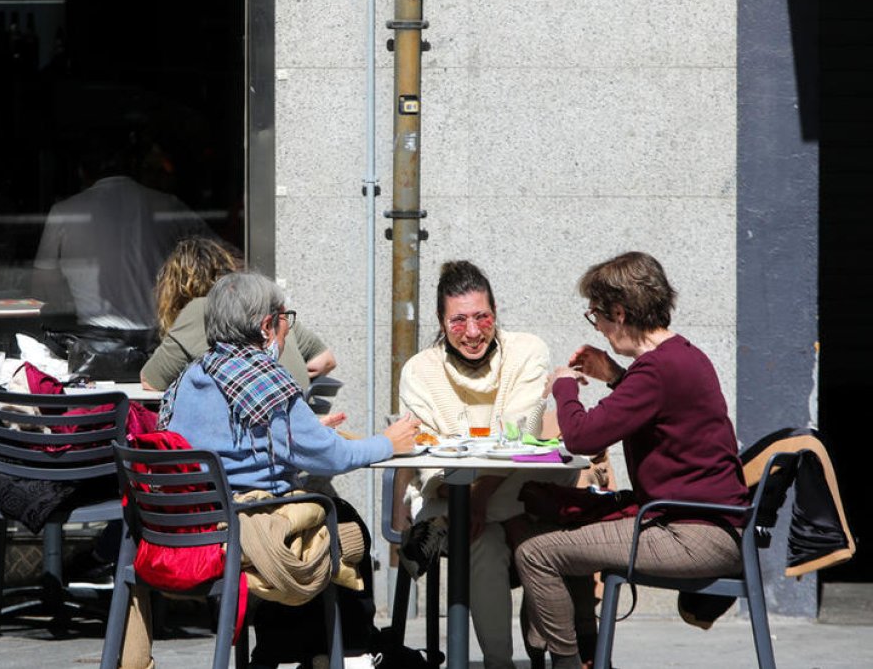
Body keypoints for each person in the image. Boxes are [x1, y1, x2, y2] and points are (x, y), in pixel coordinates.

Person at [128, 272, 419, 668]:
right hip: (243, 531)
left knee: (307, 519)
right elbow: (330, 457)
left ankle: (282, 651)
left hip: (186, 532)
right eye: (285, 318)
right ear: (267, 326)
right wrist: (390, 443)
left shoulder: (190, 377)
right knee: (348, 527)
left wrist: (306, 432)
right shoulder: (266, 381)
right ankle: (350, 651)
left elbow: (237, 442)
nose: (287, 327)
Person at [514, 251, 748, 669]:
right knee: (562, 525)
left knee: (536, 553)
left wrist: (564, 387)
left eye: (597, 318)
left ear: (619, 313)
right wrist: (617, 376)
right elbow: (655, 408)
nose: (600, 329)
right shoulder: (682, 356)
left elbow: (583, 437)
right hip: (705, 524)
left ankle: (567, 664)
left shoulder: (656, 370)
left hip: (692, 534)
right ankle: (588, 655)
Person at [396, 260, 578, 669]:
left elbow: (517, 432)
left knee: (525, 488)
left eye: (482, 317)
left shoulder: (527, 350)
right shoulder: (420, 371)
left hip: (495, 490)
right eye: (458, 321)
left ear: (496, 312)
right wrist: (475, 497)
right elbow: (434, 469)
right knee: (483, 534)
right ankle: (502, 661)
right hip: (464, 495)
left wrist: (478, 496)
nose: (473, 332)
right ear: (441, 323)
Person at [32, 131, 212, 329]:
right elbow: (219, 258)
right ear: (133, 168)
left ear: (82, 172)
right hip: (158, 337)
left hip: (94, 340)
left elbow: (43, 288)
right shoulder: (167, 205)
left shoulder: (64, 212)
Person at [140, 236, 337, 393]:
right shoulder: (271, 311)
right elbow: (326, 360)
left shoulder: (199, 310)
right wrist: (291, 376)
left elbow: (151, 381)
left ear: (174, 289)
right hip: (299, 422)